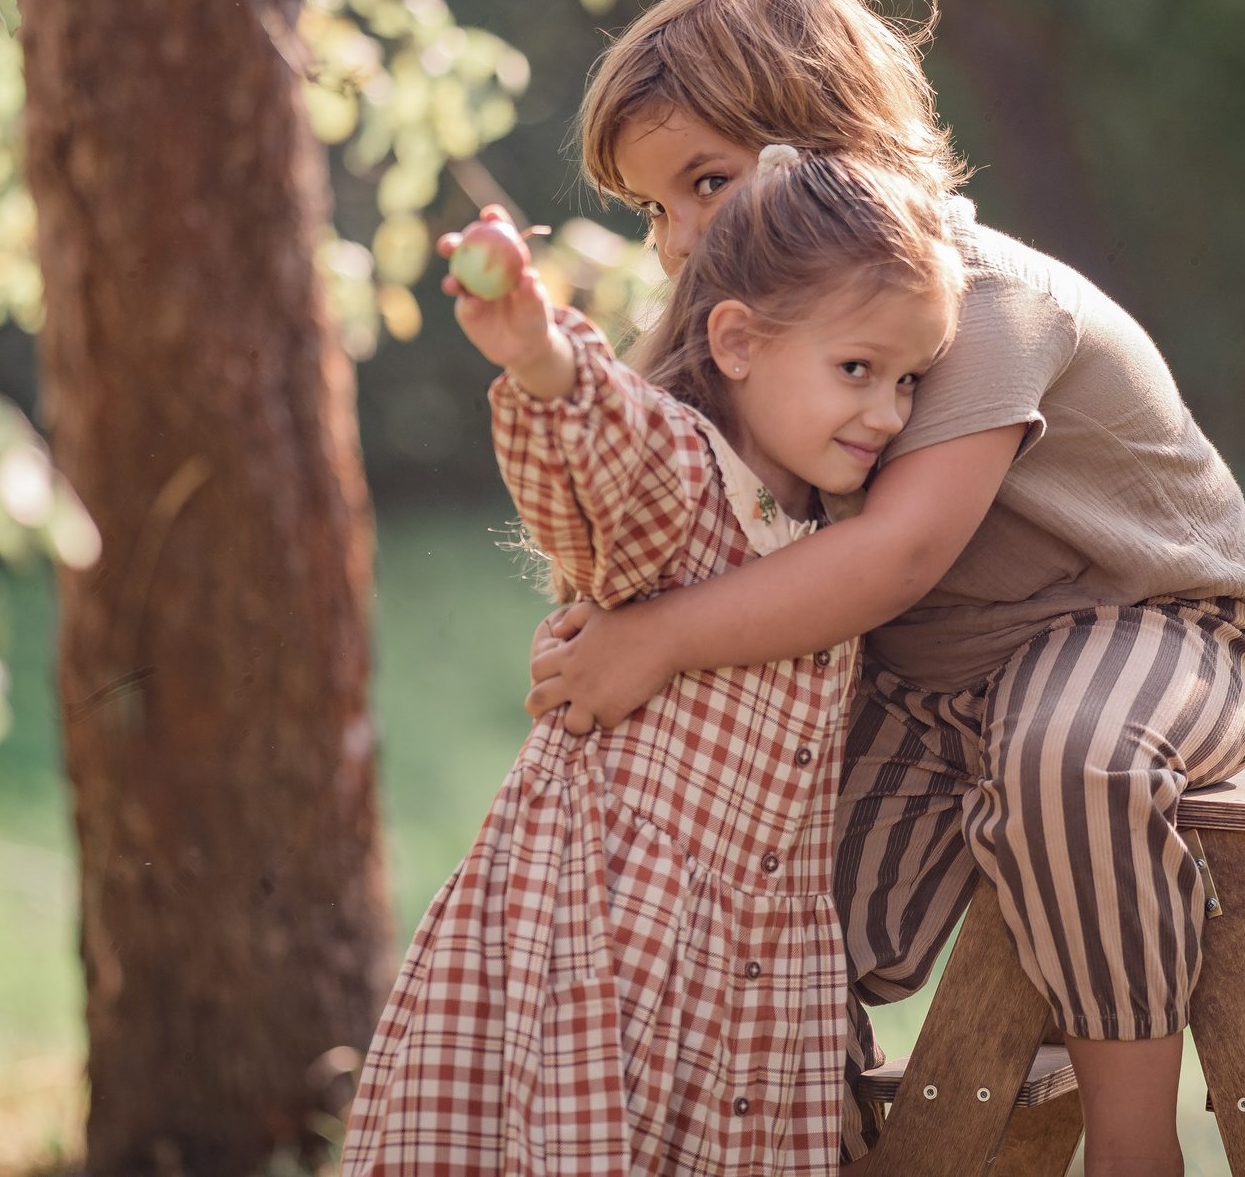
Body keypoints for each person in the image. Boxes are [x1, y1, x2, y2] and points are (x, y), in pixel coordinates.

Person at [525, 0, 1245, 1177]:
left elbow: (893, 555)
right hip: (923, 685)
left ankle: (1134, 1145)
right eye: (654, 207)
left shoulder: (981, 297)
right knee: (736, 862)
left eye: (705, 184)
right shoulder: (751, 326)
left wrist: (659, 640)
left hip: (1144, 627)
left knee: (1073, 754)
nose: (673, 240)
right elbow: (677, 507)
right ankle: (786, 1144)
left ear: (820, 146)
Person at [341, 147, 964, 1177]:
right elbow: (601, 446)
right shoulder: (683, 480)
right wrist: (539, 353)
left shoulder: (824, 531)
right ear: (735, 342)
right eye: (857, 370)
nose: (889, 413)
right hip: (608, 934)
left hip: (740, 974)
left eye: (908, 380)